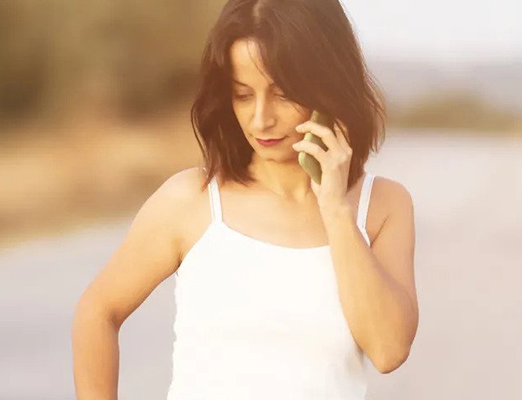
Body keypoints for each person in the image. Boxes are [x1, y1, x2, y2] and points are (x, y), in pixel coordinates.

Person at [71, 0, 418, 398]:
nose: (260, 119)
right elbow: (98, 312)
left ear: (328, 86)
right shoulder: (192, 200)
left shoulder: (384, 206)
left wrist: (336, 211)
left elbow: (389, 349)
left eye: (283, 94)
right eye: (242, 95)